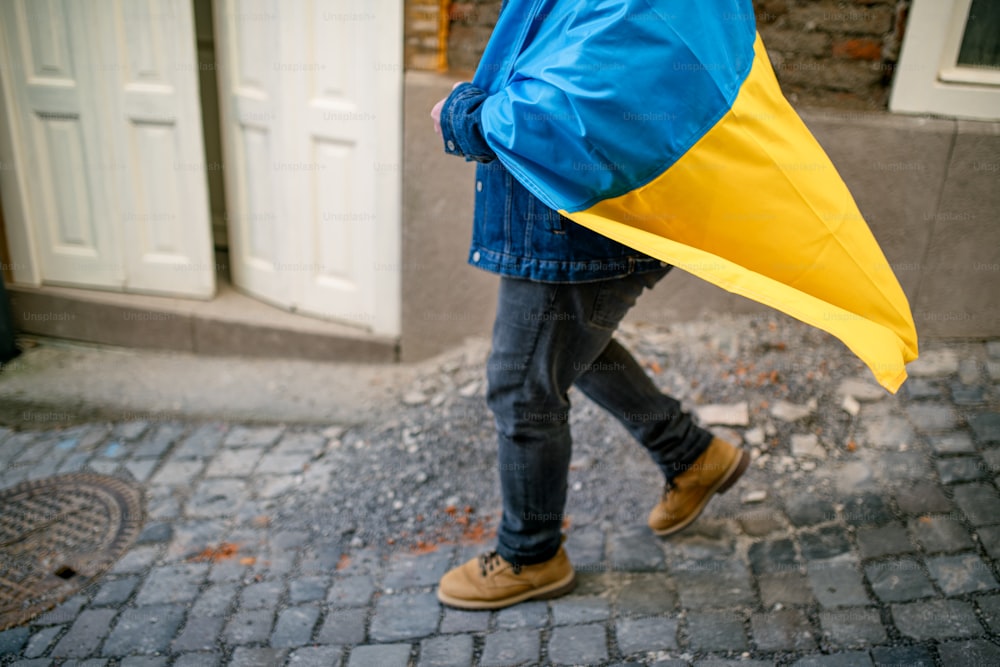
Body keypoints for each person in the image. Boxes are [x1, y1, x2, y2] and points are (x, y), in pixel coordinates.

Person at [428, 19, 750, 613]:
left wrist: (467, 116)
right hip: (584, 209)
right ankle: (690, 454)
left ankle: (531, 555)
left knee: (523, 387)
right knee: (570, 347)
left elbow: (580, 105)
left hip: (579, 218)